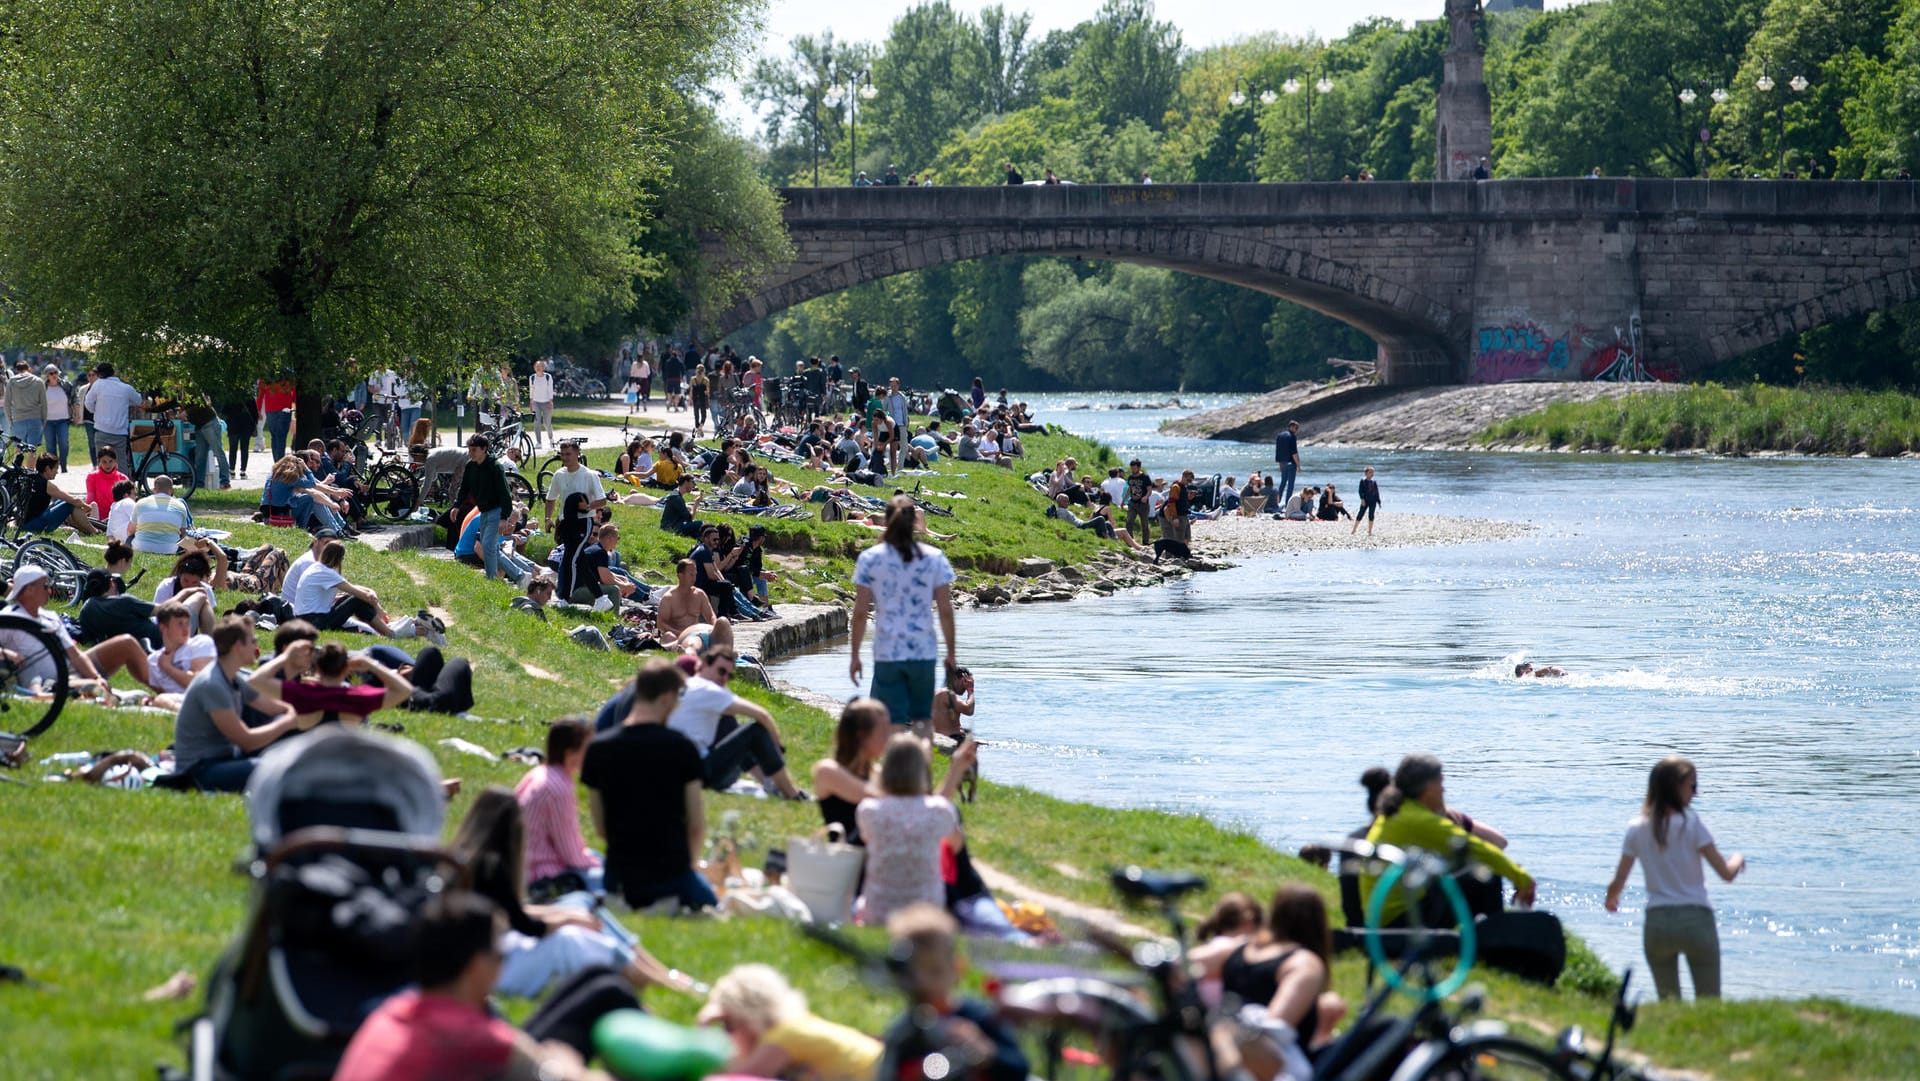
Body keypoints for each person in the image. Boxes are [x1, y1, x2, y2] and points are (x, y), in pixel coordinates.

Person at [332, 891, 609, 1081]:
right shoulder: (468, 1034)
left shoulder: (391, 1012)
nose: (502, 965)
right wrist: (565, 1060)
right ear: (476, 965)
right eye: (501, 955)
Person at [453, 786, 691, 998]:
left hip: (496, 948)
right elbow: (525, 925)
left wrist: (568, 913)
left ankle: (656, 969)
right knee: (571, 937)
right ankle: (656, 979)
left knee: (580, 900)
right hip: (491, 963)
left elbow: (508, 910)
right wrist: (568, 919)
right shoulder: (490, 867)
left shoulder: (466, 860)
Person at [1604, 756, 1745, 1001]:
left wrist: (1612, 899)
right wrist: (1738, 859)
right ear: (1676, 788)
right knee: (1709, 1002)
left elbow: (1619, 880)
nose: (1695, 793)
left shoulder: (1637, 827)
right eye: (1692, 786)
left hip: (1658, 923)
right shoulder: (1691, 823)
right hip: (1696, 920)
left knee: (1669, 1003)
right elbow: (1725, 873)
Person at [583, 658, 719, 911]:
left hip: (619, 880)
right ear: (667, 698)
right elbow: (696, 826)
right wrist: (687, 871)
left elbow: (601, 828)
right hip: (672, 878)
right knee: (715, 903)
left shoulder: (598, 749)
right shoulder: (682, 748)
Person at [1362, 755, 1536, 927]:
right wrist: (1522, 879)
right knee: (1485, 876)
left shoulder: (1399, 810)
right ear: (1429, 787)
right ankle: (1497, 941)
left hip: (1385, 917)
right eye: (1441, 783)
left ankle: (1487, 936)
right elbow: (1477, 849)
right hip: (1397, 923)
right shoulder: (1418, 820)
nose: (1443, 790)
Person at [877, 905, 1028, 1081]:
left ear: (957, 967)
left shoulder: (979, 1017)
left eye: (936, 971)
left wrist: (986, 1054)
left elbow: (1020, 1068)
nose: (926, 983)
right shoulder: (904, 1033)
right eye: (915, 974)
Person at [850, 495, 957, 736]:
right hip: (923, 651)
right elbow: (945, 611)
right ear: (915, 523)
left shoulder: (870, 559)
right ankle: (921, 772)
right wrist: (951, 652)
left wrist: (855, 655)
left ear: (886, 522)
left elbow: (859, 613)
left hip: (888, 651)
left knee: (892, 722)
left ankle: (893, 770)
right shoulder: (933, 558)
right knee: (923, 722)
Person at [169, 616, 307, 792]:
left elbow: (270, 706)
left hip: (225, 757)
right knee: (279, 769)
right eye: (253, 641)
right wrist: (287, 722)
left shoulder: (232, 677)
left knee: (288, 758)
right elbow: (246, 740)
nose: (256, 646)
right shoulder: (213, 684)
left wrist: (291, 711)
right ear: (238, 646)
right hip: (199, 770)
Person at [1216, 886, 1338, 1066]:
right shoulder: (1303, 963)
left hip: (1222, 1050)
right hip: (1268, 1064)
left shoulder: (1241, 948)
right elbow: (1275, 1028)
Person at [699, 964, 882, 1081]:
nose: (727, 1035)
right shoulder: (795, 1027)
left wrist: (703, 1028)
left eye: (728, 1025)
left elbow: (739, 1077)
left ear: (746, 1018)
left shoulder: (784, 1036)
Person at [667, 646, 805, 799]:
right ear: (705, 664)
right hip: (702, 776)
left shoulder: (688, 685)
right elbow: (762, 715)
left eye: (729, 675)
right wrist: (779, 747)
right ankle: (792, 794)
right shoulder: (709, 690)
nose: (724, 678)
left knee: (729, 723)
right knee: (755, 731)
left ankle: (769, 784)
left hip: (680, 771)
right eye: (721, 671)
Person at [857, 736, 962, 926]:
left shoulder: (869, 811)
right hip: (927, 915)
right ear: (922, 771)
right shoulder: (940, 811)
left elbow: (867, 840)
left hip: (879, 914)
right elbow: (956, 845)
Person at [1, 565, 156, 693]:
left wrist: (96, 676)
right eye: (45, 586)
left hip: (72, 668)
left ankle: (164, 688)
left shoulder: (50, 616)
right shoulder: (9, 618)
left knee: (126, 643)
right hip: (50, 682)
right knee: (93, 688)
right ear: (29, 589)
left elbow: (75, 654)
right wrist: (5, 652)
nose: (49, 591)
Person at [516, 718, 604, 898]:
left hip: (522, 863)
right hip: (540, 873)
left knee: (597, 857)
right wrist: (596, 865)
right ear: (570, 752)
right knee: (612, 879)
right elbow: (570, 852)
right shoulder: (559, 788)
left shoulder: (539, 773)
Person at [292, 539, 405, 637]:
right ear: (339, 558)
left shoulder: (317, 568)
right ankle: (389, 633)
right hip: (315, 622)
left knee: (352, 598)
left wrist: (370, 592)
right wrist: (378, 608)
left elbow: (351, 588)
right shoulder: (326, 573)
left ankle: (384, 629)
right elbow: (359, 593)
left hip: (305, 620)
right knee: (356, 600)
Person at [452, 433, 515, 581]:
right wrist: (457, 506)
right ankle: (518, 575)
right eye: (469, 449)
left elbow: (505, 494)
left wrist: (504, 517)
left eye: (474, 450)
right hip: (484, 510)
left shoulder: (495, 467)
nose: (471, 453)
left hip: (497, 509)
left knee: (487, 545)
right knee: (490, 547)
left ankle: (493, 578)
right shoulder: (470, 466)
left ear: (484, 449)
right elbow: (464, 488)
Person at [654, 559, 733, 652]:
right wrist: (680, 633)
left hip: (697, 634)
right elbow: (661, 624)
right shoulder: (669, 598)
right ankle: (683, 650)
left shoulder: (699, 594)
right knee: (668, 636)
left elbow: (711, 615)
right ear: (680, 575)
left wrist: (714, 628)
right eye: (691, 574)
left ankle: (727, 654)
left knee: (723, 622)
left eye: (695, 574)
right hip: (678, 637)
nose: (694, 578)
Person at [146, 602, 217, 701]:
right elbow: (163, 693)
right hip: (178, 703)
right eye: (180, 624)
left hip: (208, 700)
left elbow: (201, 684)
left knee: (161, 700)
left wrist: (167, 667)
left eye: (187, 623)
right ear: (163, 627)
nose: (186, 629)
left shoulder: (200, 643)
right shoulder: (153, 661)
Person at [83, 362, 144, 467]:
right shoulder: (125, 388)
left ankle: (103, 483)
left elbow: (88, 402)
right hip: (119, 432)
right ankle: (122, 483)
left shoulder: (98, 385)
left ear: (99, 374)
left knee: (102, 463)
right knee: (120, 463)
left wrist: (96, 411)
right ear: (113, 372)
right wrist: (127, 402)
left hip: (101, 429)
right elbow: (139, 400)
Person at [19, 453, 98, 535]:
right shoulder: (46, 485)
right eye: (56, 468)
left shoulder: (34, 478)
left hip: (26, 524)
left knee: (64, 501)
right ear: (48, 468)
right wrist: (88, 507)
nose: (57, 472)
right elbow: (74, 500)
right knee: (70, 504)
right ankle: (95, 532)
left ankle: (85, 530)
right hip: (33, 526)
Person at [542, 441, 606, 535]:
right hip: (564, 520)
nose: (564, 458)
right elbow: (551, 498)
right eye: (562, 454)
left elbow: (602, 501)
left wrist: (587, 507)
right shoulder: (559, 474)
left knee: (577, 549)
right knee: (566, 549)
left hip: (583, 521)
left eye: (568, 454)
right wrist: (547, 518)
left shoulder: (590, 475)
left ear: (577, 454)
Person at [130, 474, 193, 553]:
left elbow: (131, 530)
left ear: (154, 490)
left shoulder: (141, 503)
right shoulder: (180, 506)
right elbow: (183, 533)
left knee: (129, 537)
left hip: (141, 547)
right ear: (171, 490)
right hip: (171, 549)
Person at [7, 359, 46, 451]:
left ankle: (16, 465)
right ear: (29, 369)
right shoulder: (38, 381)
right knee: (32, 451)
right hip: (35, 418)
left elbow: (7, 403)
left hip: (18, 419)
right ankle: (30, 466)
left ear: (16, 370)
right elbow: (44, 404)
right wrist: (43, 421)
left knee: (17, 450)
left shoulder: (11, 382)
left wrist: (10, 421)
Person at [256, 377, 296, 461]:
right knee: (281, 436)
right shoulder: (286, 376)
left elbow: (260, 395)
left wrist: (258, 410)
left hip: (271, 408)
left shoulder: (265, 376)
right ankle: (280, 461)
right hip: (284, 408)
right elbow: (294, 392)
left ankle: (277, 462)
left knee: (274, 436)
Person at [84, 446, 129, 520]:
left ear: (115, 461)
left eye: (110, 461)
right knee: (93, 505)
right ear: (99, 462)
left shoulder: (123, 478)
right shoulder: (92, 477)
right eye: (104, 462)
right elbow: (90, 499)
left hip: (117, 517)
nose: (108, 465)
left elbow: (128, 502)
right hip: (97, 517)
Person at [528, 359, 556, 448]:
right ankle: (538, 442)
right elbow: (531, 390)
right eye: (536, 366)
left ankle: (551, 439)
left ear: (543, 368)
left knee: (547, 423)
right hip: (536, 402)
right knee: (537, 422)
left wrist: (551, 401)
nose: (538, 368)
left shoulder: (548, 377)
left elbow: (550, 389)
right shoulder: (532, 377)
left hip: (546, 402)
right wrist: (531, 402)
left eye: (540, 366)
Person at [1274, 420, 1301, 508]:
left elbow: (1278, 451)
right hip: (1291, 463)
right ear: (1291, 427)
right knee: (1290, 485)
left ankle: (1276, 503)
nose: (1296, 430)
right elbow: (1294, 452)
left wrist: (1279, 464)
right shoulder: (1292, 437)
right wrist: (1298, 465)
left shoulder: (1280, 436)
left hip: (1282, 462)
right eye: (1296, 428)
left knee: (1282, 483)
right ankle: (1287, 505)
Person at [1352, 466, 1380, 536]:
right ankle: (1354, 530)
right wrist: (1362, 499)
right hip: (1365, 500)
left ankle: (1370, 531)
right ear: (1366, 473)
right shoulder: (1363, 481)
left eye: (1373, 472)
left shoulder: (1374, 482)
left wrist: (1378, 501)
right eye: (1370, 472)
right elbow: (1360, 491)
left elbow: (1376, 492)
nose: (1372, 474)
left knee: (1371, 515)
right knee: (1360, 514)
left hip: (1373, 500)